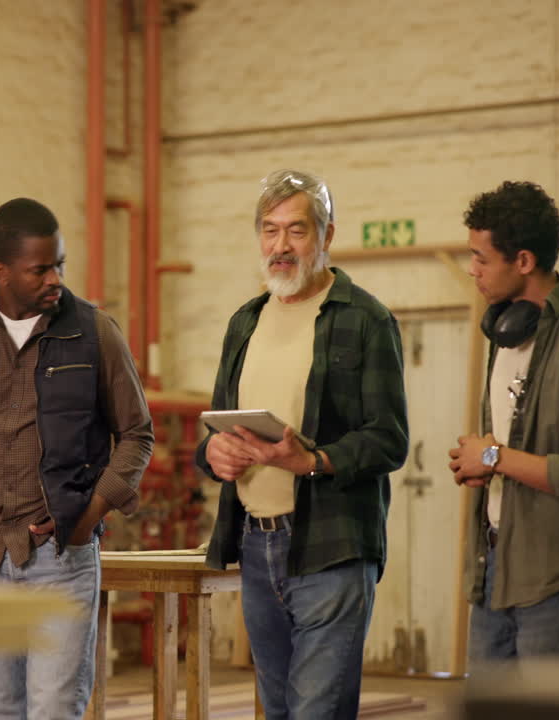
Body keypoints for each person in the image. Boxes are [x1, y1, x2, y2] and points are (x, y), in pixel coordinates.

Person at [0, 197, 153, 719]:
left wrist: (89, 518)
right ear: (0, 271)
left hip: (61, 559)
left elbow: (137, 434)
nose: (55, 279)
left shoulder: (93, 332)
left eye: (60, 264)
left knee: (55, 709)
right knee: (1, 710)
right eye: (40, 269)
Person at [196, 169, 409, 719]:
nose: (280, 247)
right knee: (279, 708)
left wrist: (311, 460)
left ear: (326, 236)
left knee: (317, 711)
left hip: (331, 548)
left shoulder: (366, 320)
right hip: (255, 543)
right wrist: (211, 455)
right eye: (269, 231)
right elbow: (215, 429)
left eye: (296, 231)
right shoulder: (245, 322)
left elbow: (389, 440)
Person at [447, 180, 559, 665]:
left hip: (557, 582)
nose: (473, 271)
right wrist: (486, 465)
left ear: (524, 261)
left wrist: (493, 456)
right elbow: (511, 453)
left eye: (482, 259)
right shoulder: (506, 333)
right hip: (495, 572)